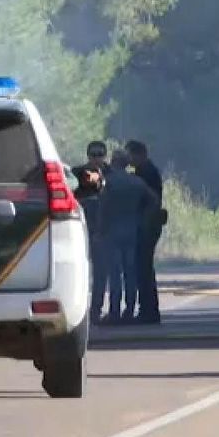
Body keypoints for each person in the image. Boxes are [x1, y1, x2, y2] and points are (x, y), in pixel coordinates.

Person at [99, 150, 159, 323]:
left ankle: (114, 312)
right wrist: (143, 218)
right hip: (132, 230)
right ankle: (130, 309)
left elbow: (103, 206)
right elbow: (154, 200)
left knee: (114, 273)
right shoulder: (136, 182)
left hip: (112, 231)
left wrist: (99, 229)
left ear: (114, 162)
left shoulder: (108, 182)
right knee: (130, 272)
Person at [126, 139, 166, 324]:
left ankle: (148, 311)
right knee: (144, 268)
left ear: (139, 154)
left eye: (131, 155)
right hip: (149, 223)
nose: (129, 159)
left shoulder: (146, 173)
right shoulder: (146, 171)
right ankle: (149, 310)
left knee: (143, 268)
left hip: (148, 225)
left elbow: (147, 199)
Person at [72, 141, 110, 322]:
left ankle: (96, 309)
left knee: (101, 273)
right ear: (88, 155)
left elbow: (127, 174)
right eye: (93, 154)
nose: (96, 158)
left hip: (103, 231)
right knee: (80, 272)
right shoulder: (78, 173)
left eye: (100, 154)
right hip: (82, 230)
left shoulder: (110, 172)